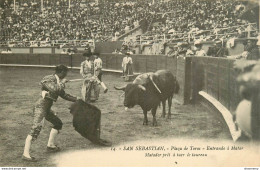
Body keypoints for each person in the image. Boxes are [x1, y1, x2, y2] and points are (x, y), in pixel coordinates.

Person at [22, 65, 78, 162]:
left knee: (57, 123)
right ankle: (25, 154)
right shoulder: (49, 79)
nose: (66, 75)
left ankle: (50, 145)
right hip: (40, 107)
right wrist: (62, 83)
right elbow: (55, 89)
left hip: (47, 108)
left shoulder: (57, 81)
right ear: (61, 72)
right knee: (36, 128)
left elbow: (63, 95)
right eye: (65, 73)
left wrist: (76, 99)